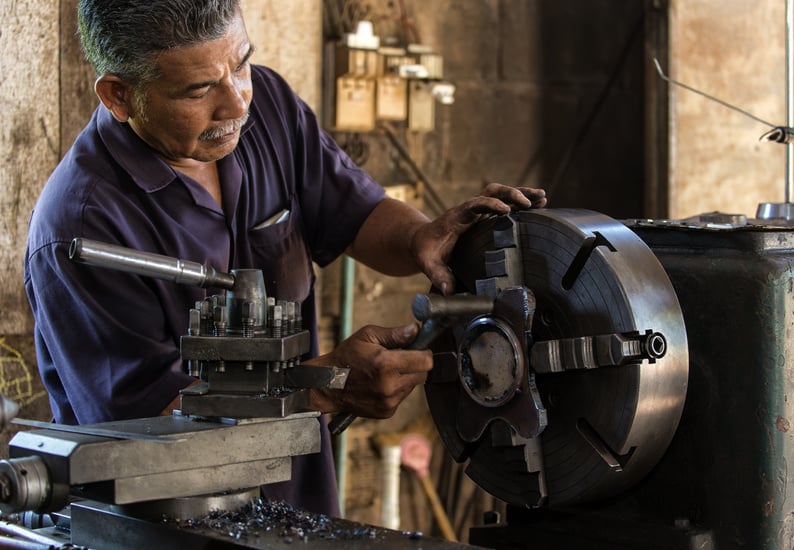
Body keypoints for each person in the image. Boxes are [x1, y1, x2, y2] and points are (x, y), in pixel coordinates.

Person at [23, 0, 546, 517]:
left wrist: (420, 236)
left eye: (242, 64)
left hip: (299, 502)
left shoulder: (266, 106)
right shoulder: (82, 228)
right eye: (198, 90)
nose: (235, 104)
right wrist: (322, 387)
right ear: (120, 95)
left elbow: (355, 212)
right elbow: (146, 440)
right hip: (169, 521)